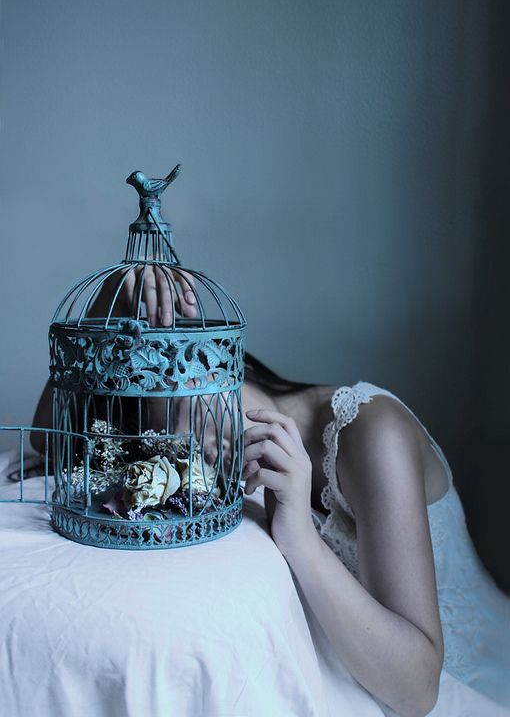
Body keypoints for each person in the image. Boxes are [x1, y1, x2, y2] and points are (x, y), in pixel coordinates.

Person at [31, 267, 510, 717]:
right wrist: (104, 305)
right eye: (178, 447)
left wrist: (299, 538)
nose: (204, 453)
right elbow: (44, 435)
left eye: (190, 413)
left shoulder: (369, 431)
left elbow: (420, 689)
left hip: (469, 681)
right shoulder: (215, 461)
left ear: (218, 360)